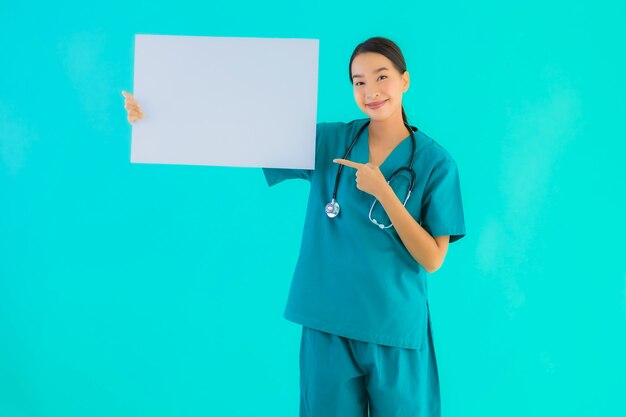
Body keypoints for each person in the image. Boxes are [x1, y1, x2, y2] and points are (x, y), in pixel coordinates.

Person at [122, 36, 466, 417]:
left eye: (381, 77)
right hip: (327, 324)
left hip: (393, 330)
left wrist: (385, 193)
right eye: (359, 81)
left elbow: (433, 258)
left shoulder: (437, 164)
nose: (371, 91)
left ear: (405, 80)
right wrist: (157, 115)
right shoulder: (331, 141)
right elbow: (239, 137)